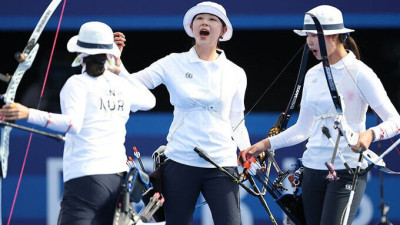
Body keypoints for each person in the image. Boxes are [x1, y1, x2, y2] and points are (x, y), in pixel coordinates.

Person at [240, 5, 400, 225]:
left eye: (315, 35)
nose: (309, 42)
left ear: (334, 36)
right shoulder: (313, 75)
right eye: (307, 36)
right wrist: (264, 145)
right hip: (312, 169)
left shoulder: (361, 73)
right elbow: (303, 129)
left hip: (347, 170)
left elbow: (396, 121)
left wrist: (371, 134)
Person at [0, 21, 156, 225]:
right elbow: (149, 100)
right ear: (109, 56)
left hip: (85, 179)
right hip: (117, 180)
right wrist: (120, 68)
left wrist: (27, 113)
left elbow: (72, 124)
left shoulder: (76, 84)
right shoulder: (120, 84)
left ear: (80, 55)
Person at [113, 2, 251, 224]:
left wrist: (247, 151)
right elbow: (134, 85)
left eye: (212, 19)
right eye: (200, 19)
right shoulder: (173, 62)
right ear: (192, 27)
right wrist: (117, 63)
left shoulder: (236, 73)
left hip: (222, 163)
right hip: (180, 162)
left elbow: (237, 119)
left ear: (223, 30)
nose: (205, 22)